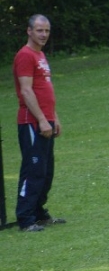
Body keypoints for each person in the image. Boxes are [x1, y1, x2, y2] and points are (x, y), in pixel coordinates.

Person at [13, 14, 66, 232]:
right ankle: (25, 218)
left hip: (47, 121)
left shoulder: (41, 55)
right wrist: (43, 120)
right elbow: (26, 91)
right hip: (32, 123)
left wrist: (54, 117)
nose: (43, 34)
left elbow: (45, 90)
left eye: (46, 30)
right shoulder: (25, 56)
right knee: (33, 170)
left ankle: (38, 213)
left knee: (46, 171)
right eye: (39, 30)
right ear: (29, 31)